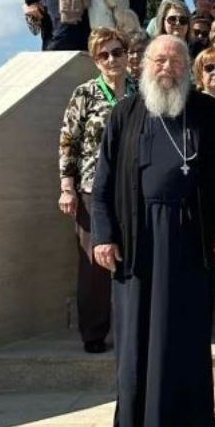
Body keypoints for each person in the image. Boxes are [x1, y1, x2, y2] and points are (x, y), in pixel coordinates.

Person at [90, 35, 215, 427]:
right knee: (135, 338)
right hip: (137, 241)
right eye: (159, 61)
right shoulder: (124, 113)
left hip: (190, 238)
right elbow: (103, 181)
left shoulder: (206, 111)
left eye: (175, 61)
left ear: (187, 67)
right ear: (144, 65)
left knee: (185, 335)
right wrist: (103, 234)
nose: (167, 68)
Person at [59, 28, 135, 354]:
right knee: (93, 264)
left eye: (117, 52)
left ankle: (132, 328)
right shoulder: (85, 93)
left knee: (132, 259)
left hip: (134, 189)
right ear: (95, 59)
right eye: (104, 54)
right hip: (92, 190)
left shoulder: (138, 92)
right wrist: (67, 186)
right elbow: (68, 140)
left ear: (127, 53)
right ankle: (94, 332)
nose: (112, 59)